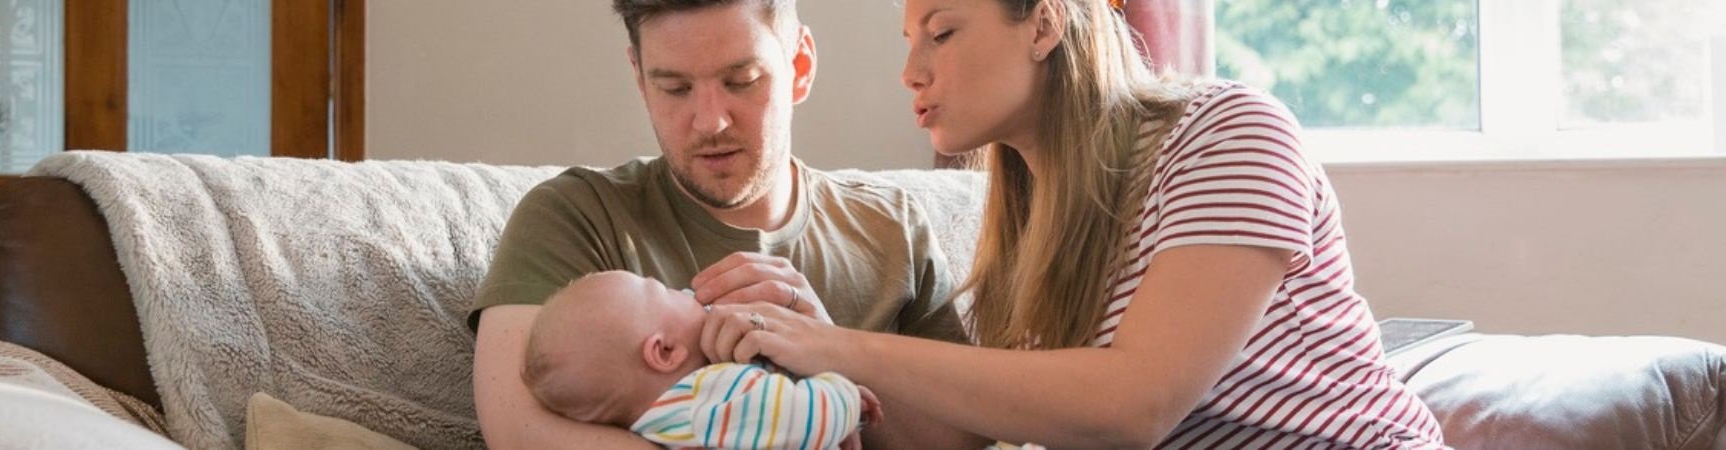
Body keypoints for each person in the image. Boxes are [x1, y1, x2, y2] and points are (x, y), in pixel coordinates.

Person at [699, 0, 1450, 448]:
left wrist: (843, 346)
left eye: (942, 32)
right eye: (909, 43)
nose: (911, 72)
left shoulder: (1229, 133)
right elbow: (959, 438)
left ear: (1044, 24)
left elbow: (1135, 405)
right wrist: (817, 366)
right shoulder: (1021, 224)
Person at [468, 1, 974, 448]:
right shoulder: (578, 216)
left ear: (800, 65)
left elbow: (965, 438)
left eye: (742, 81)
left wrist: (835, 351)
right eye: (675, 87)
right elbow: (519, 429)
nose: (710, 121)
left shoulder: (891, 226)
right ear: (641, 80)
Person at [520, 271, 881, 449]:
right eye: (665, 291)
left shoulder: (664, 422)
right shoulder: (709, 394)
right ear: (664, 352)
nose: (684, 291)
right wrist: (844, 393)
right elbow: (800, 417)